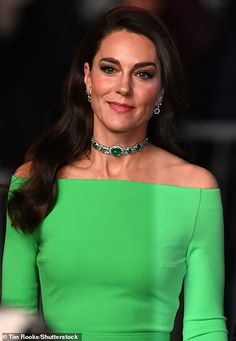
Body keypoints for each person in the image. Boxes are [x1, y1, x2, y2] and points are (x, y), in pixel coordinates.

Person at [1, 5, 228, 340]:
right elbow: (14, 324)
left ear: (161, 91)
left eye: (143, 74)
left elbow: (205, 325)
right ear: (88, 78)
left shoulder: (194, 188)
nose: (124, 87)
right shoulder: (36, 179)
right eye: (110, 69)